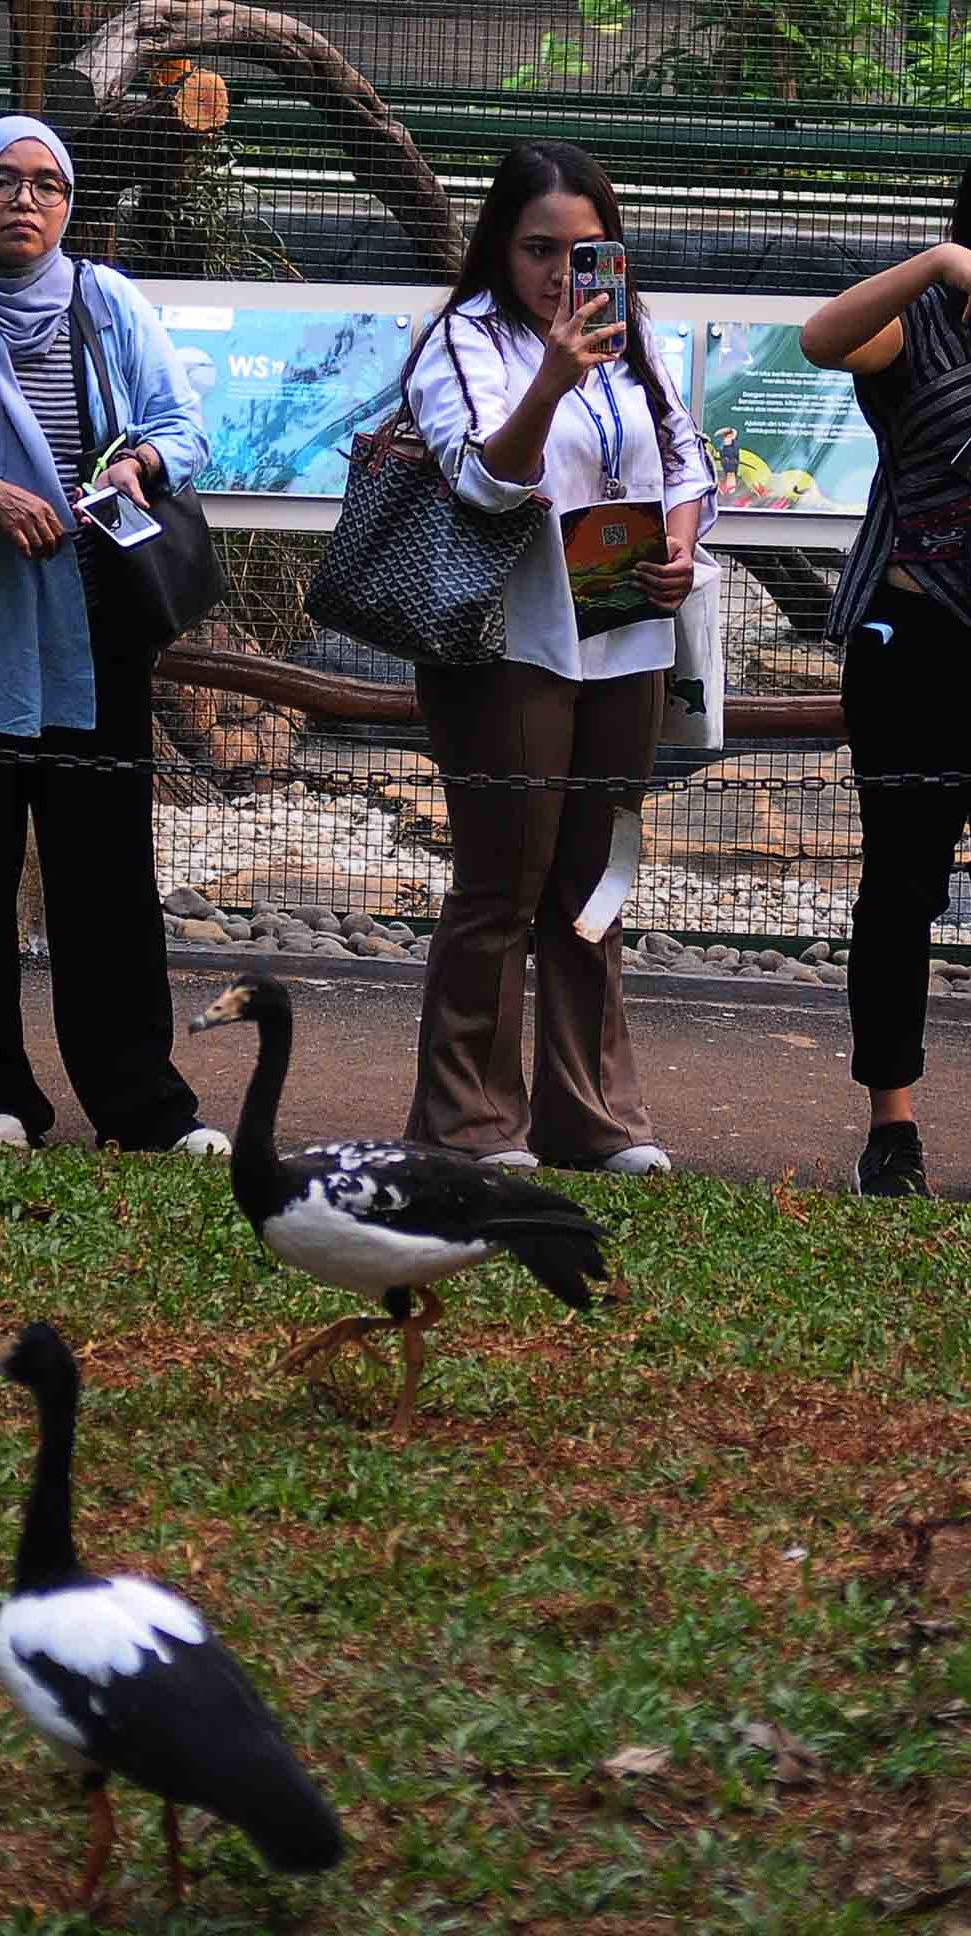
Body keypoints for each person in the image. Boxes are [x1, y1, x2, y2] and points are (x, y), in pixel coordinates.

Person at [0, 117, 228, 1154]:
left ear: (69, 204)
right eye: (4, 182)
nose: (27, 201)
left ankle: (142, 1106)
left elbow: (188, 427)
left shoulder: (107, 304)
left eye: (48, 185)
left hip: (91, 639)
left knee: (106, 881)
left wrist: (139, 467)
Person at [402, 141, 716, 1173]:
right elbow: (484, 481)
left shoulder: (631, 340)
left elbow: (685, 457)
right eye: (540, 249)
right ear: (500, 244)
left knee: (596, 881)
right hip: (508, 647)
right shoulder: (465, 340)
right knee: (503, 880)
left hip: (626, 639)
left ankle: (593, 1115)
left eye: (586, 251)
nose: (560, 274)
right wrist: (550, 378)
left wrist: (679, 539)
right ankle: (474, 1121)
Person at [801, 172, 971, 1198]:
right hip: (917, 639)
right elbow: (820, 340)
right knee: (904, 885)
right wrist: (940, 266)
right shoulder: (924, 323)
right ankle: (892, 1128)